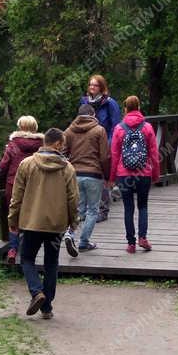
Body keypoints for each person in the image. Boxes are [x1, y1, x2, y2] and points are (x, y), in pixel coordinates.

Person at [9, 128, 79, 319]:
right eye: (62, 144)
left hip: (30, 222)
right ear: (56, 144)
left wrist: (12, 219)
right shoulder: (67, 168)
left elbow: (17, 196)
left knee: (27, 259)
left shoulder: (26, 164)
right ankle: (46, 307)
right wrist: (73, 221)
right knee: (51, 263)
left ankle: (36, 292)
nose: (63, 148)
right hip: (56, 224)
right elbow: (73, 198)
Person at [108, 95, 160, 254]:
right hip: (143, 173)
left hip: (124, 175)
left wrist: (112, 177)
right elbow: (154, 153)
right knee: (143, 206)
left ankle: (131, 243)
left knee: (128, 208)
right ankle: (142, 238)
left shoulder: (119, 128)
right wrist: (155, 173)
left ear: (125, 108)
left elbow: (115, 154)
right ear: (138, 107)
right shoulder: (147, 127)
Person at [62, 104, 110, 254]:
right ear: (93, 114)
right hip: (94, 174)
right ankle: (83, 242)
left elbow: (62, 153)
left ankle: (70, 233)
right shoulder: (99, 130)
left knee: (78, 210)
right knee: (93, 210)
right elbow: (104, 156)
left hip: (75, 174)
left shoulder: (69, 131)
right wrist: (107, 176)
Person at [0, 116, 44, 264]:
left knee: (14, 216)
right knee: (32, 215)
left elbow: (3, 166)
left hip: (14, 184)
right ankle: (28, 249)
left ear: (20, 128)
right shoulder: (42, 145)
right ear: (34, 128)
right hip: (36, 186)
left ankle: (12, 249)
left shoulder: (13, 145)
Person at [79, 74, 121, 221]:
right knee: (85, 174)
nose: (92, 87)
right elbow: (80, 122)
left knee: (102, 176)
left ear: (101, 87)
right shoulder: (84, 101)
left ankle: (102, 210)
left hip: (104, 143)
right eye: (90, 84)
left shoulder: (110, 103)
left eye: (95, 85)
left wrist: (108, 144)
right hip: (86, 144)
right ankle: (83, 211)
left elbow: (116, 126)